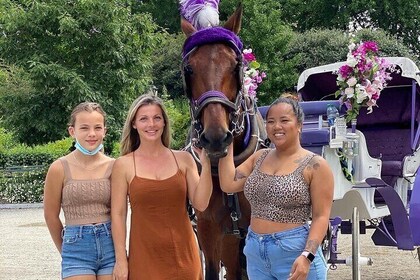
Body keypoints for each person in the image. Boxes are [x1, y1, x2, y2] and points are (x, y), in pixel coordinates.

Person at [219, 96, 334, 280]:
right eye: (270, 121)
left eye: (284, 120)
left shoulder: (316, 165)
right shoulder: (260, 157)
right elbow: (228, 184)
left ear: (299, 125)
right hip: (256, 253)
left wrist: (307, 256)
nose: (276, 126)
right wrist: (226, 141)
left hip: (294, 253)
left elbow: (321, 216)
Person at [111, 92, 212, 279]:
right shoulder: (123, 165)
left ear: (164, 122)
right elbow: (118, 214)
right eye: (144, 119)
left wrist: (206, 166)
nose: (151, 124)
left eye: (157, 118)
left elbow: (201, 203)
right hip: (144, 257)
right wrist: (121, 260)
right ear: (134, 124)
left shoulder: (184, 159)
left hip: (184, 255)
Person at [43, 102, 115, 280]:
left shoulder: (115, 167)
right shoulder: (58, 168)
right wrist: (67, 249)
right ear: (72, 131)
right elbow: (50, 215)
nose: (91, 134)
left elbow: (120, 213)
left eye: (97, 127)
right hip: (76, 249)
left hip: (111, 246)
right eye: (84, 128)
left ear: (104, 131)